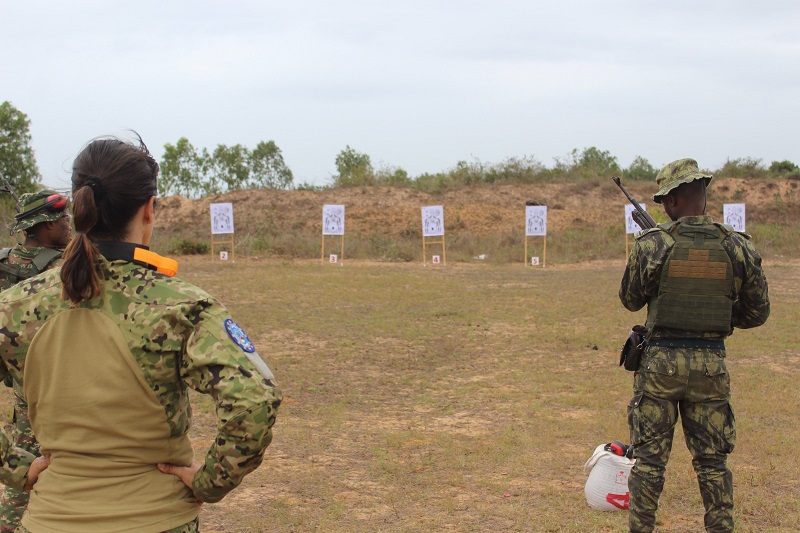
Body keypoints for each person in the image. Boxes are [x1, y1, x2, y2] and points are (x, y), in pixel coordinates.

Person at [0, 135, 282, 532]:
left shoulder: (15, 306)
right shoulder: (181, 306)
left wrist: (16, 468)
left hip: (50, 517)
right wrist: (211, 482)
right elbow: (255, 398)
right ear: (149, 209)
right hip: (157, 520)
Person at [619, 158, 770, 533]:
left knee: (650, 463)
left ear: (670, 202)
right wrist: (717, 311)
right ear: (702, 197)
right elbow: (757, 313)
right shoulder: (737, 247)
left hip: (659, 369)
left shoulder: (653, 245)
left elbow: (630, 300)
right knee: (713, 464)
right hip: (710, 368)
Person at [0, 190, 72, 533]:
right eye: (62, 220)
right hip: (61, 386)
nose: (68, 225)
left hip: (21, 387)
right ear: (45, 226)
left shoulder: (3, 260)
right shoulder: (66, 268)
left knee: (23, 473)